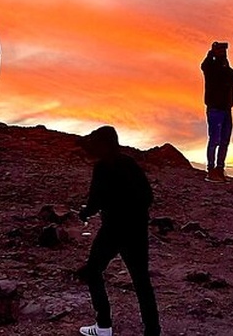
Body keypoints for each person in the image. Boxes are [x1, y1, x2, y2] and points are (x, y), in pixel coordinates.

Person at [77, 126, 160, 336]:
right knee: (142, 282)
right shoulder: (130, 163)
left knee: (93, 271)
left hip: (113, 230)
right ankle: (153, 331)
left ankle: (103, 325)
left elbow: (94, 202)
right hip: (137, 229)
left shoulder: (102, 168)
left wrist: (85, 213)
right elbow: (148, 196)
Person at [201, 41, 233, 182]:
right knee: (215, 140)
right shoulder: (210, 67)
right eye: (220, 50)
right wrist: (211, 54)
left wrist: (227, 78)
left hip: (226, 109)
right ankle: (211, 170)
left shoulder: (226, 68)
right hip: (215, 109)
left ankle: (219, 169)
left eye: (223, 51)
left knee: (224, 140)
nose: (223, 52)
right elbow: (204, 66)